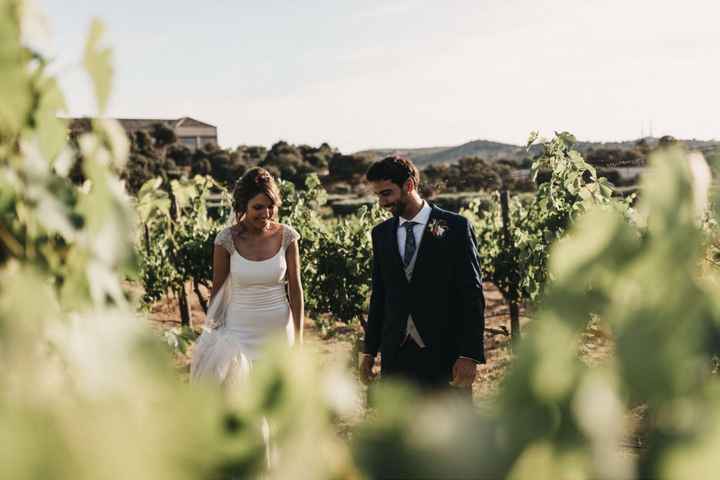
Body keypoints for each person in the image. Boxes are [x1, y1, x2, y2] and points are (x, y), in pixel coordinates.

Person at [359, 156, 485, 396]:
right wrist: (369, 350)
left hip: (444, 353)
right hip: (396, 355)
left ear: (409, 185)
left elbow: (472, 294)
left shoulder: (455, 227)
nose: (381, 202)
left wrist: (469, 355)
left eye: (386, 193)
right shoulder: (381, 233)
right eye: (378, 196)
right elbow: (380, 295)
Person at [191, 167, 304, 386]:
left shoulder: (287, 236)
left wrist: (299, 339)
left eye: (270, 207)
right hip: (239, 333)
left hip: (279, 331)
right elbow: (218, 289)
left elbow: (296, 289)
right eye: (258, 207)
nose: (266, 214)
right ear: (244, 206)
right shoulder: (226, 239)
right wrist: (211, 335)